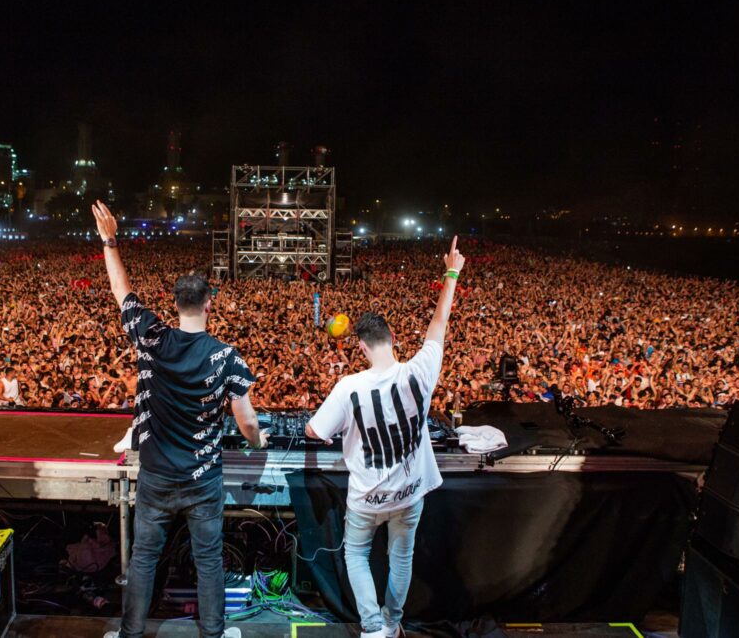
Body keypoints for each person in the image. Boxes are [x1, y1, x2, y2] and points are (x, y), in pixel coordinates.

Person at [92, 201, 268, 638]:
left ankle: (131, 633)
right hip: (202, 478)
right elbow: (246, 423)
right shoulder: (227, 357)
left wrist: (110, 241)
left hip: (154, 475)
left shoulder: (152, 338)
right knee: (209, 559)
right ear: (210, 305)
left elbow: (121, 291)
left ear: (174, 304)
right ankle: (214, 633)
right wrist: (259, 442)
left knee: (144, 558)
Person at [306, 236, 465, 638]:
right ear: (392, 337)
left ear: (360, 347)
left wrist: (323, 428)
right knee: (402, 557)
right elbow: (438, 324)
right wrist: (451, 274)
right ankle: (393, 623)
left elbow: (314, 430)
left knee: (357, 554)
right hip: (409, 494)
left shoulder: (348, 387)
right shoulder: (419, 372)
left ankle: (373, 628)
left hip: (366, 498)